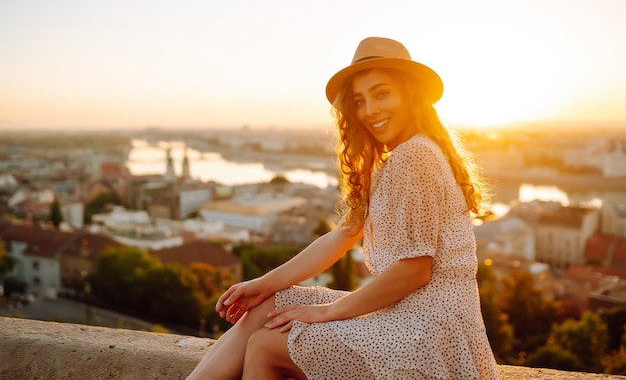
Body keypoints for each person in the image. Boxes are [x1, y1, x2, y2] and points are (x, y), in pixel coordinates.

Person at [185, 37, 502, 380]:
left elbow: (415, 271)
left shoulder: (415, 155)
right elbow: (346, 234)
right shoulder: (399, 158)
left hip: (430, 331)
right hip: (413, 318)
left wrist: (327, 312)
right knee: (270, 304)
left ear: (411, 94)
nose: (369, 111)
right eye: (359, 101)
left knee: (265, 344)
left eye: (382, 93)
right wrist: (265, 283)